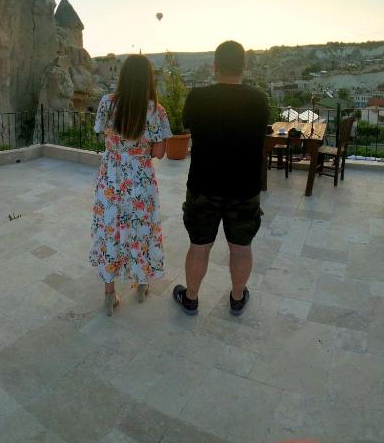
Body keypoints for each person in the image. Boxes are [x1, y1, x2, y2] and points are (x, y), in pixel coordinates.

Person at [173, 40, 269, 316]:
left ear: (214, 67)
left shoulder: (198, 97)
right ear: (244, 66)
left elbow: (188, 125)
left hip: (204, 185)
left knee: (199, 247)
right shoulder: (259, 99)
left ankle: (191, 298)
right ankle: (237, 297)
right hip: (244, 188)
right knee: (241, 248)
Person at [90, 54, 172, 315]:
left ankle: (109, 295)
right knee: (141, 231)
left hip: (111, 178)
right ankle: (141, 284)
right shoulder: (156, 111)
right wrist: (140, 149)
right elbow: (159, 152)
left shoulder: (107, 103)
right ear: (149, 78)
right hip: (140, 179)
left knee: (110, 231)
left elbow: (101, 132)